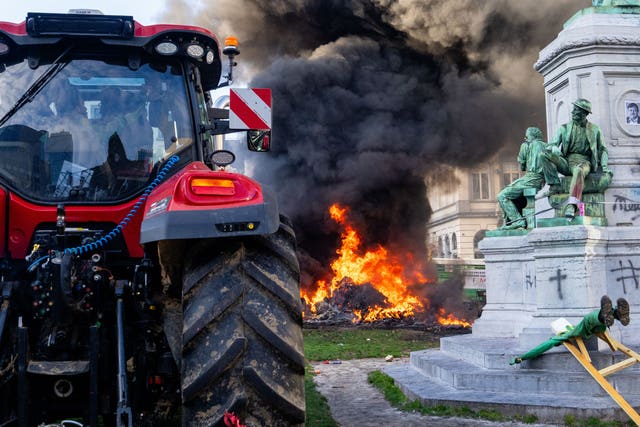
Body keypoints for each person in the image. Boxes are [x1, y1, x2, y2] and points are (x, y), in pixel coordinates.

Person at [540, 98, 611, 218]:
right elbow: (551, 144)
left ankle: (572, 205)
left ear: (584, 113)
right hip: (566, 162)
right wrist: (553, 148)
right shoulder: (564, 128)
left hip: (584, 162)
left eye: (576, 110)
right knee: (544, 154)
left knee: (579, 170)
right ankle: (554, 184)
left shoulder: (594, 129)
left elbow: (603, 150)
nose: (573, 112)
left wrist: (604, 167)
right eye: (573, 110)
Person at [510, 295, 630, 365]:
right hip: (596, 328)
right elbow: (548, 344)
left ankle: (607, 315)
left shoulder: (565, 334)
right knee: (590, 321)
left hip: (593, 327)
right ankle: (616, 314)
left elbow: (547, 344)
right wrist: (523, 357)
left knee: (587, 321)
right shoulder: (566, 333)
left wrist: (523, 357)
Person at [497, 127, 546, 229]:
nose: (525, 139)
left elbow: (522, 165)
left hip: (531, 179)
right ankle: (511, 221)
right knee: (509, 192)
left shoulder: (527, 145)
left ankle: (518, 221)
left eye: (527, 136)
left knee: (502, 195)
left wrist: (524, 150)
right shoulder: (546, 146)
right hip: (541, 181)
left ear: (533, 136)